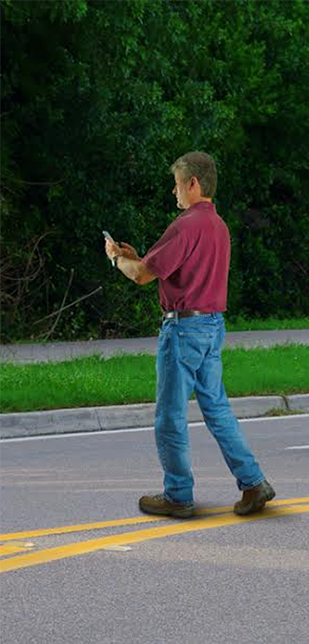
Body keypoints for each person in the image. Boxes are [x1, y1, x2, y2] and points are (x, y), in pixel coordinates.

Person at [104, 151, 274, 519]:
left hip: (183, 329)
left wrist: (117, 258)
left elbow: (141, 276)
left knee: (170, 415)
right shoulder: (218, 226)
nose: (174, 191)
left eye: (178, 184)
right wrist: (138, 256)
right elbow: (162, 266)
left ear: (193, 184)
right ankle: (253, 482)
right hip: (212, 326)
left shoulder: (185, 224)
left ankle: (178, 495)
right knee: (217, 410)